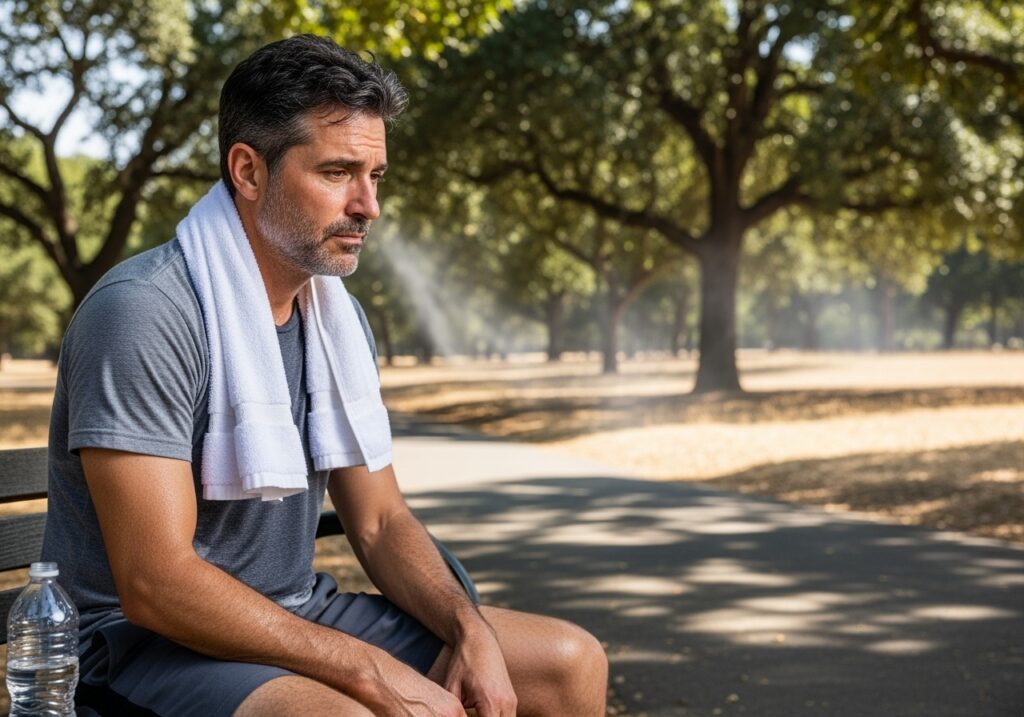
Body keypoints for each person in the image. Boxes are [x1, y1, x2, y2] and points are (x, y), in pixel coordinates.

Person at [41, 34, 607, 717]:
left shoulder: (335, 319)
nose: (368, 205)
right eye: (338, 172)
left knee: (569, 663)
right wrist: (365, 669)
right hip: (144, 647)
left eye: (376, 176)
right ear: (248, 172)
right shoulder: (145, 313)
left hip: (300, 613)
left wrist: (469, 626)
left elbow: (380, 520)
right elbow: (155, 582)